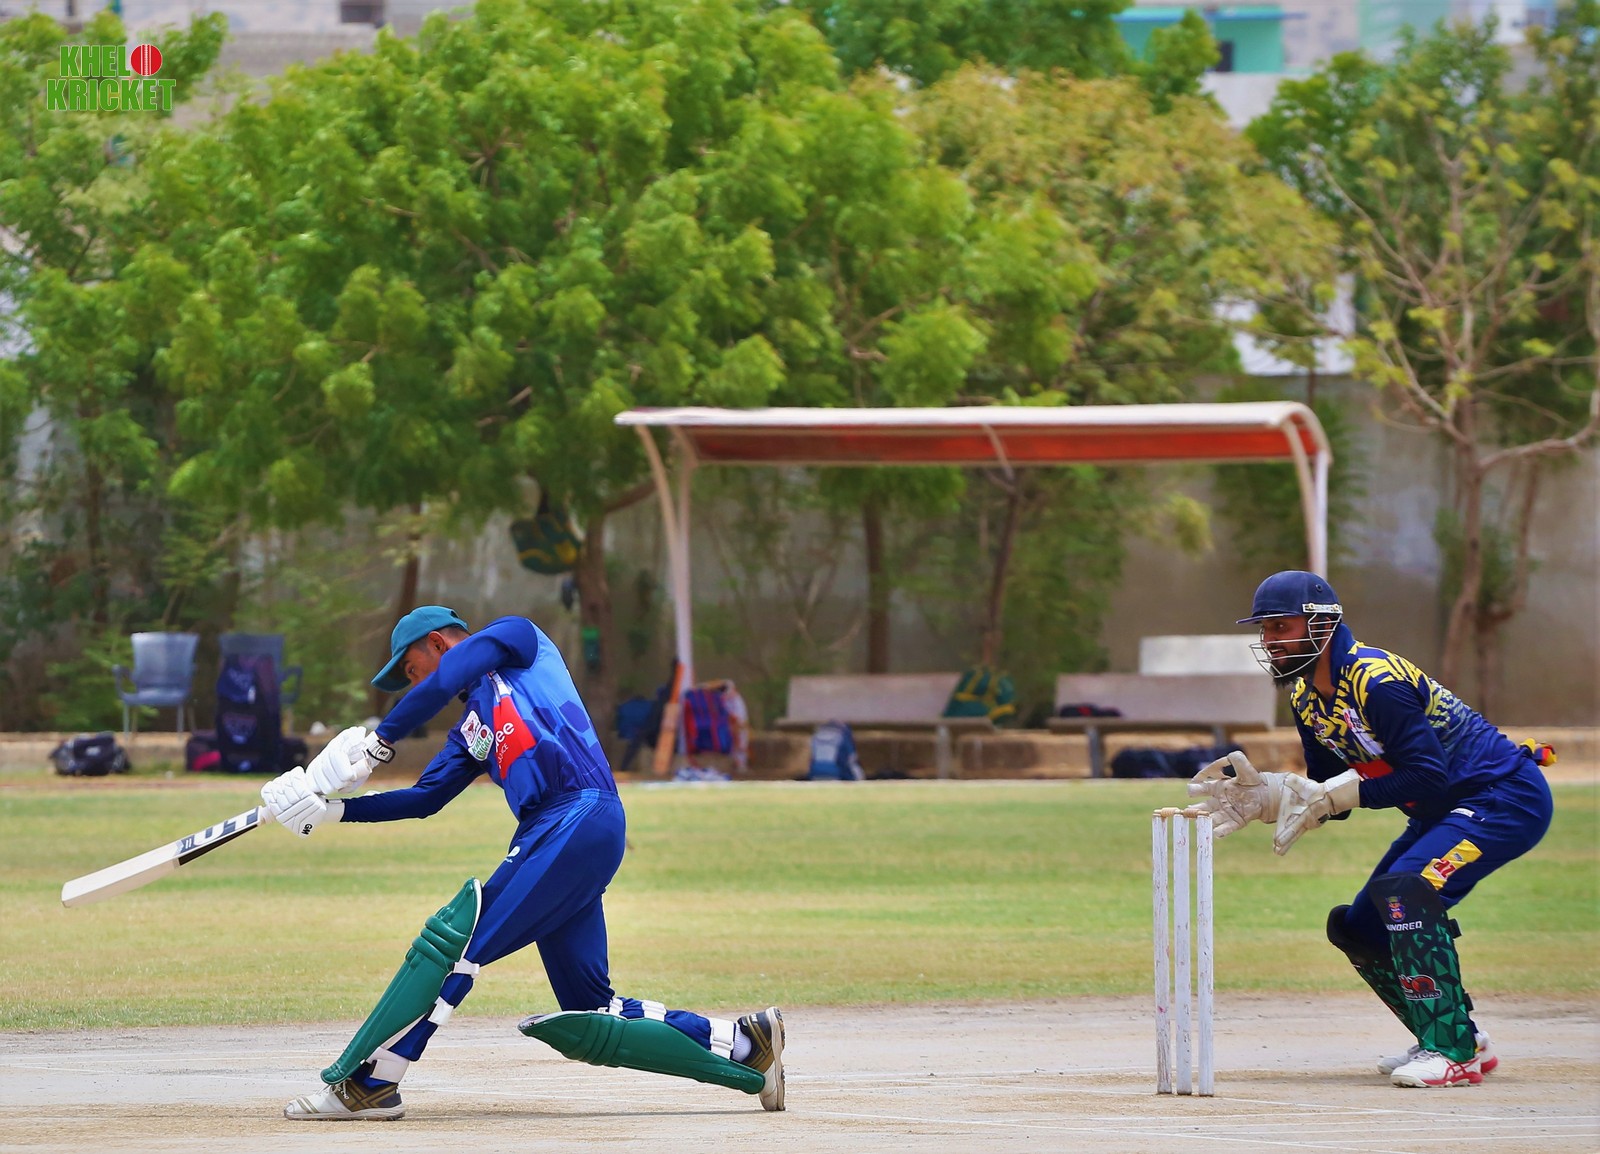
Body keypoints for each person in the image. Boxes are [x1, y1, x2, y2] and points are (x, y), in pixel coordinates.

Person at [258, 606, 785, 1120]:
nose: (413, 682)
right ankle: (744, 1043)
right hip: (561, 834)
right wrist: (332, 811)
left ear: (438, 642)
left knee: (456, 946)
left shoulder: (518, 639)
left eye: (411, 669)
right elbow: (424, 798)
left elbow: (446, 679)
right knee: (591, 1010)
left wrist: (380, 742)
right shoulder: (473, 725)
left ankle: (371, 1083)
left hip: (576, 815)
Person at [1184, 571, 1555, 1089]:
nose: (1270, 640)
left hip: (1504, 798)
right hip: (1441, 811)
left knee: (1406, 892)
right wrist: (1271, 797)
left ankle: (1453, 1051)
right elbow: (1328, 790)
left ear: (1323, 624)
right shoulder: (1305, 698)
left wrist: (1337, 795)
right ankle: (1455, 1033)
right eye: (1264, 629)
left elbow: (1427, 774)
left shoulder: (1376, 682)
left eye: (1281, 626)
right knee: (1359, 927)